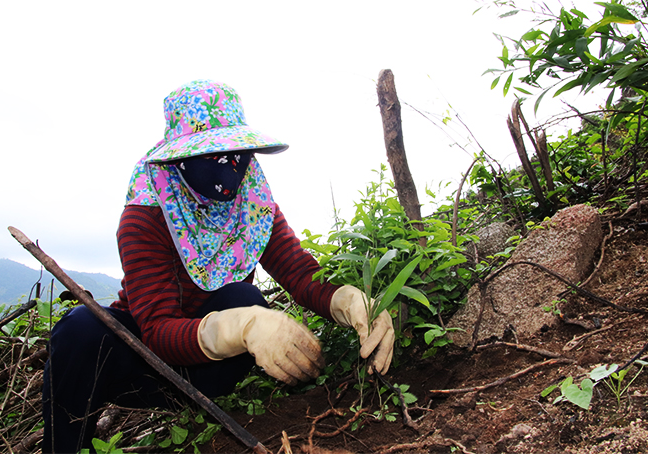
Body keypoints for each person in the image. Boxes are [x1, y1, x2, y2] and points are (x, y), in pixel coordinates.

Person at [42, 80, 395, 453]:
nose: (229, 167)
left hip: (210, 370)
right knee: (80, 330)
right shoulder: (145, 216)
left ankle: (204, 410)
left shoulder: (251, 203)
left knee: (241, 295)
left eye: (236, 153)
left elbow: (299, 273)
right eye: (212, 155)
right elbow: (158, 330)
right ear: (179, 159)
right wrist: (242, 326)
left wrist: (352, 301)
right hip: (145, 361)